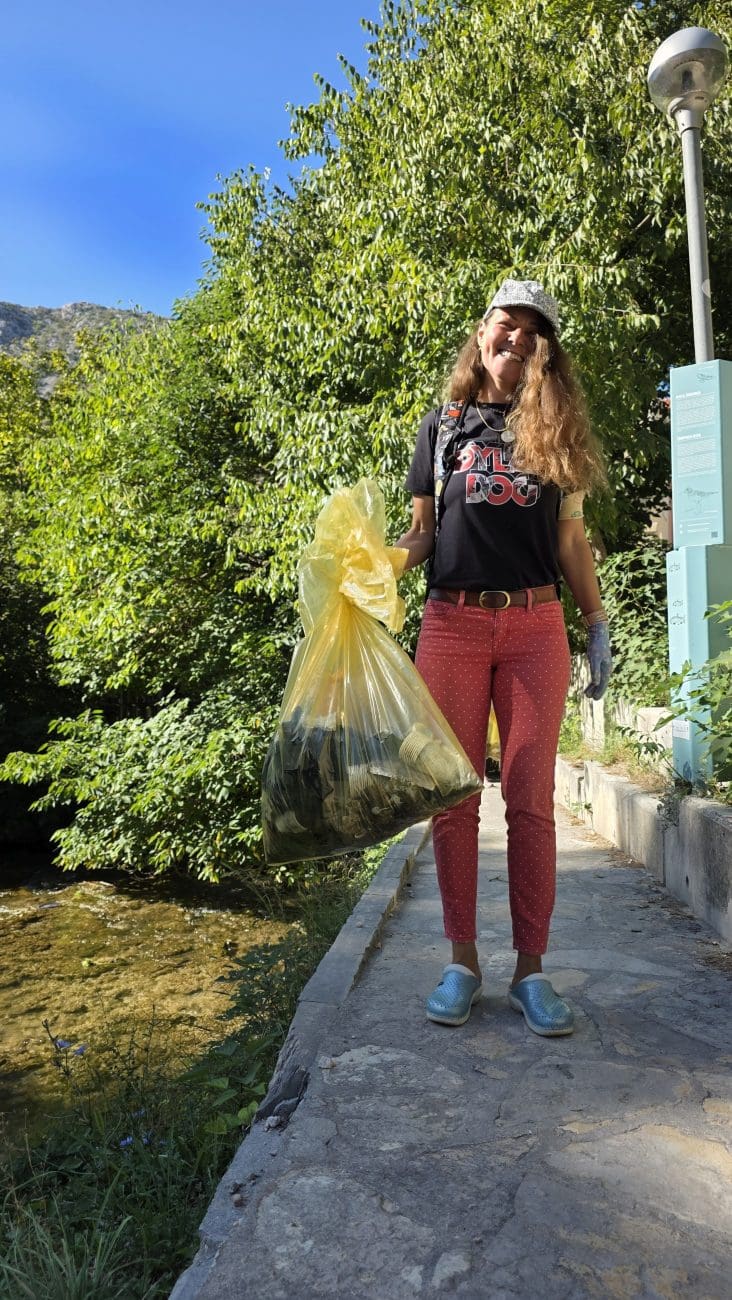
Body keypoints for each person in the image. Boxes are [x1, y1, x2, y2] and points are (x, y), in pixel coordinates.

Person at [395, 279, 611, 1036]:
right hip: (450, 625)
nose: (514, 338)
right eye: (504, 324)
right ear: (481, 332)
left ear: (543, 350)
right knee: (455, 799)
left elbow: (570, 542)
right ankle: (462, 963)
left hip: (534, 628)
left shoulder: (557, 433)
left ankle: (531, 972)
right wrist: (371, 567)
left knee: (530, 802)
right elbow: (422, 534)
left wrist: (595, 622)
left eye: (530, 331)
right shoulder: (442, 427)